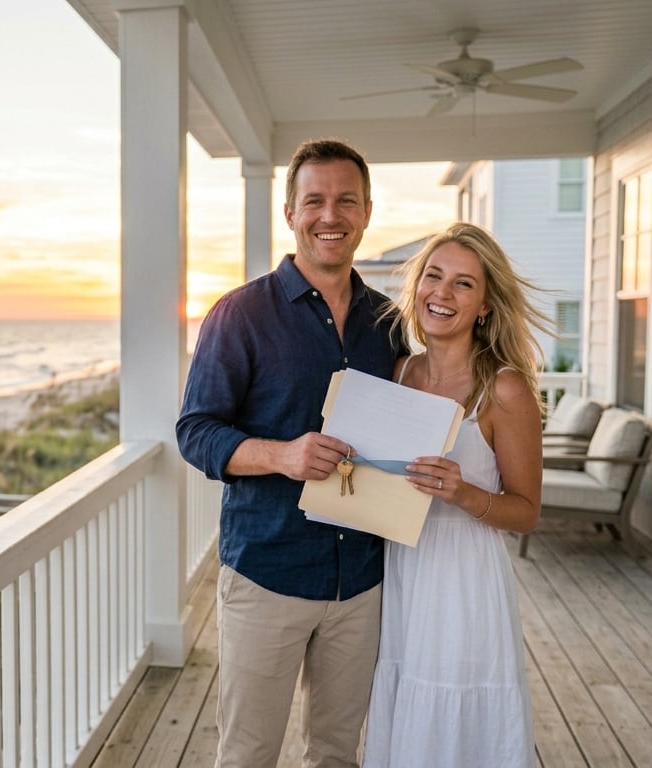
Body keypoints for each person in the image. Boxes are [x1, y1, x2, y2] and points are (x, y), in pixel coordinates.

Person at [176, 138, 407, 768]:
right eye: (315, 201)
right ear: (289, 212)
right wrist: (282, 456)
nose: (329, 215)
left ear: (365, 212)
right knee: (248, 753)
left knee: (335, 754)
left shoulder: (388, 322)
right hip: (268, 575)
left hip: (360, 579)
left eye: (345, 201)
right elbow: (195, 431)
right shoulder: (239, 315)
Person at [361, 222, 549, 767]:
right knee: (405, 701)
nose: (442, 293)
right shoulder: (400, 372)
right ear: (416, 286)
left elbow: (528, 512)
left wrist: (464, 492)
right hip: (403, 565)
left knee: (453, 710)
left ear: (486, 305)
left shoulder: (504, 387)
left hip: (463, 578)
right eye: (434, 276)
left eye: (464, 284)